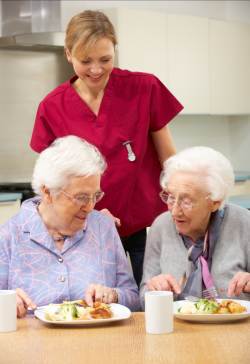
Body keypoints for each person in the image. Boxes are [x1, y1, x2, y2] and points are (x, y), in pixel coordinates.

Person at [30, 10, 183, 287]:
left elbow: (168, 160)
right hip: (82, 231)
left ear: (115, 50)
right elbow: (49, 182)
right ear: (68, 54)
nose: (96, 69)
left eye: (105, 59)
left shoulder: (144, 87)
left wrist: (182, 206)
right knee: (98, 307)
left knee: (155, 303)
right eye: (85, 60)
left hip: (145, 227)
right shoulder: (51, 107)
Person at [0, 136, 139, 316]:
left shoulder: (103, 227)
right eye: (80, 197)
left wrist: (112, 295)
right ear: (48, 192)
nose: (90, 207)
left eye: (95, 196)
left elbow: (134, 300)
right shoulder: (9, 235)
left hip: (98, 341)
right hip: (33, 342)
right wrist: (6, 302)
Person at [139, 146, 250, 311]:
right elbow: (143, 300)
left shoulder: (244, 223)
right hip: (177, 331)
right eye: (170, 196)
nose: (175, 211)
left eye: (186, 201)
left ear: (215, 202)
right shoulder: (161, 226)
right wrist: (153, 290)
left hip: (234, 332)